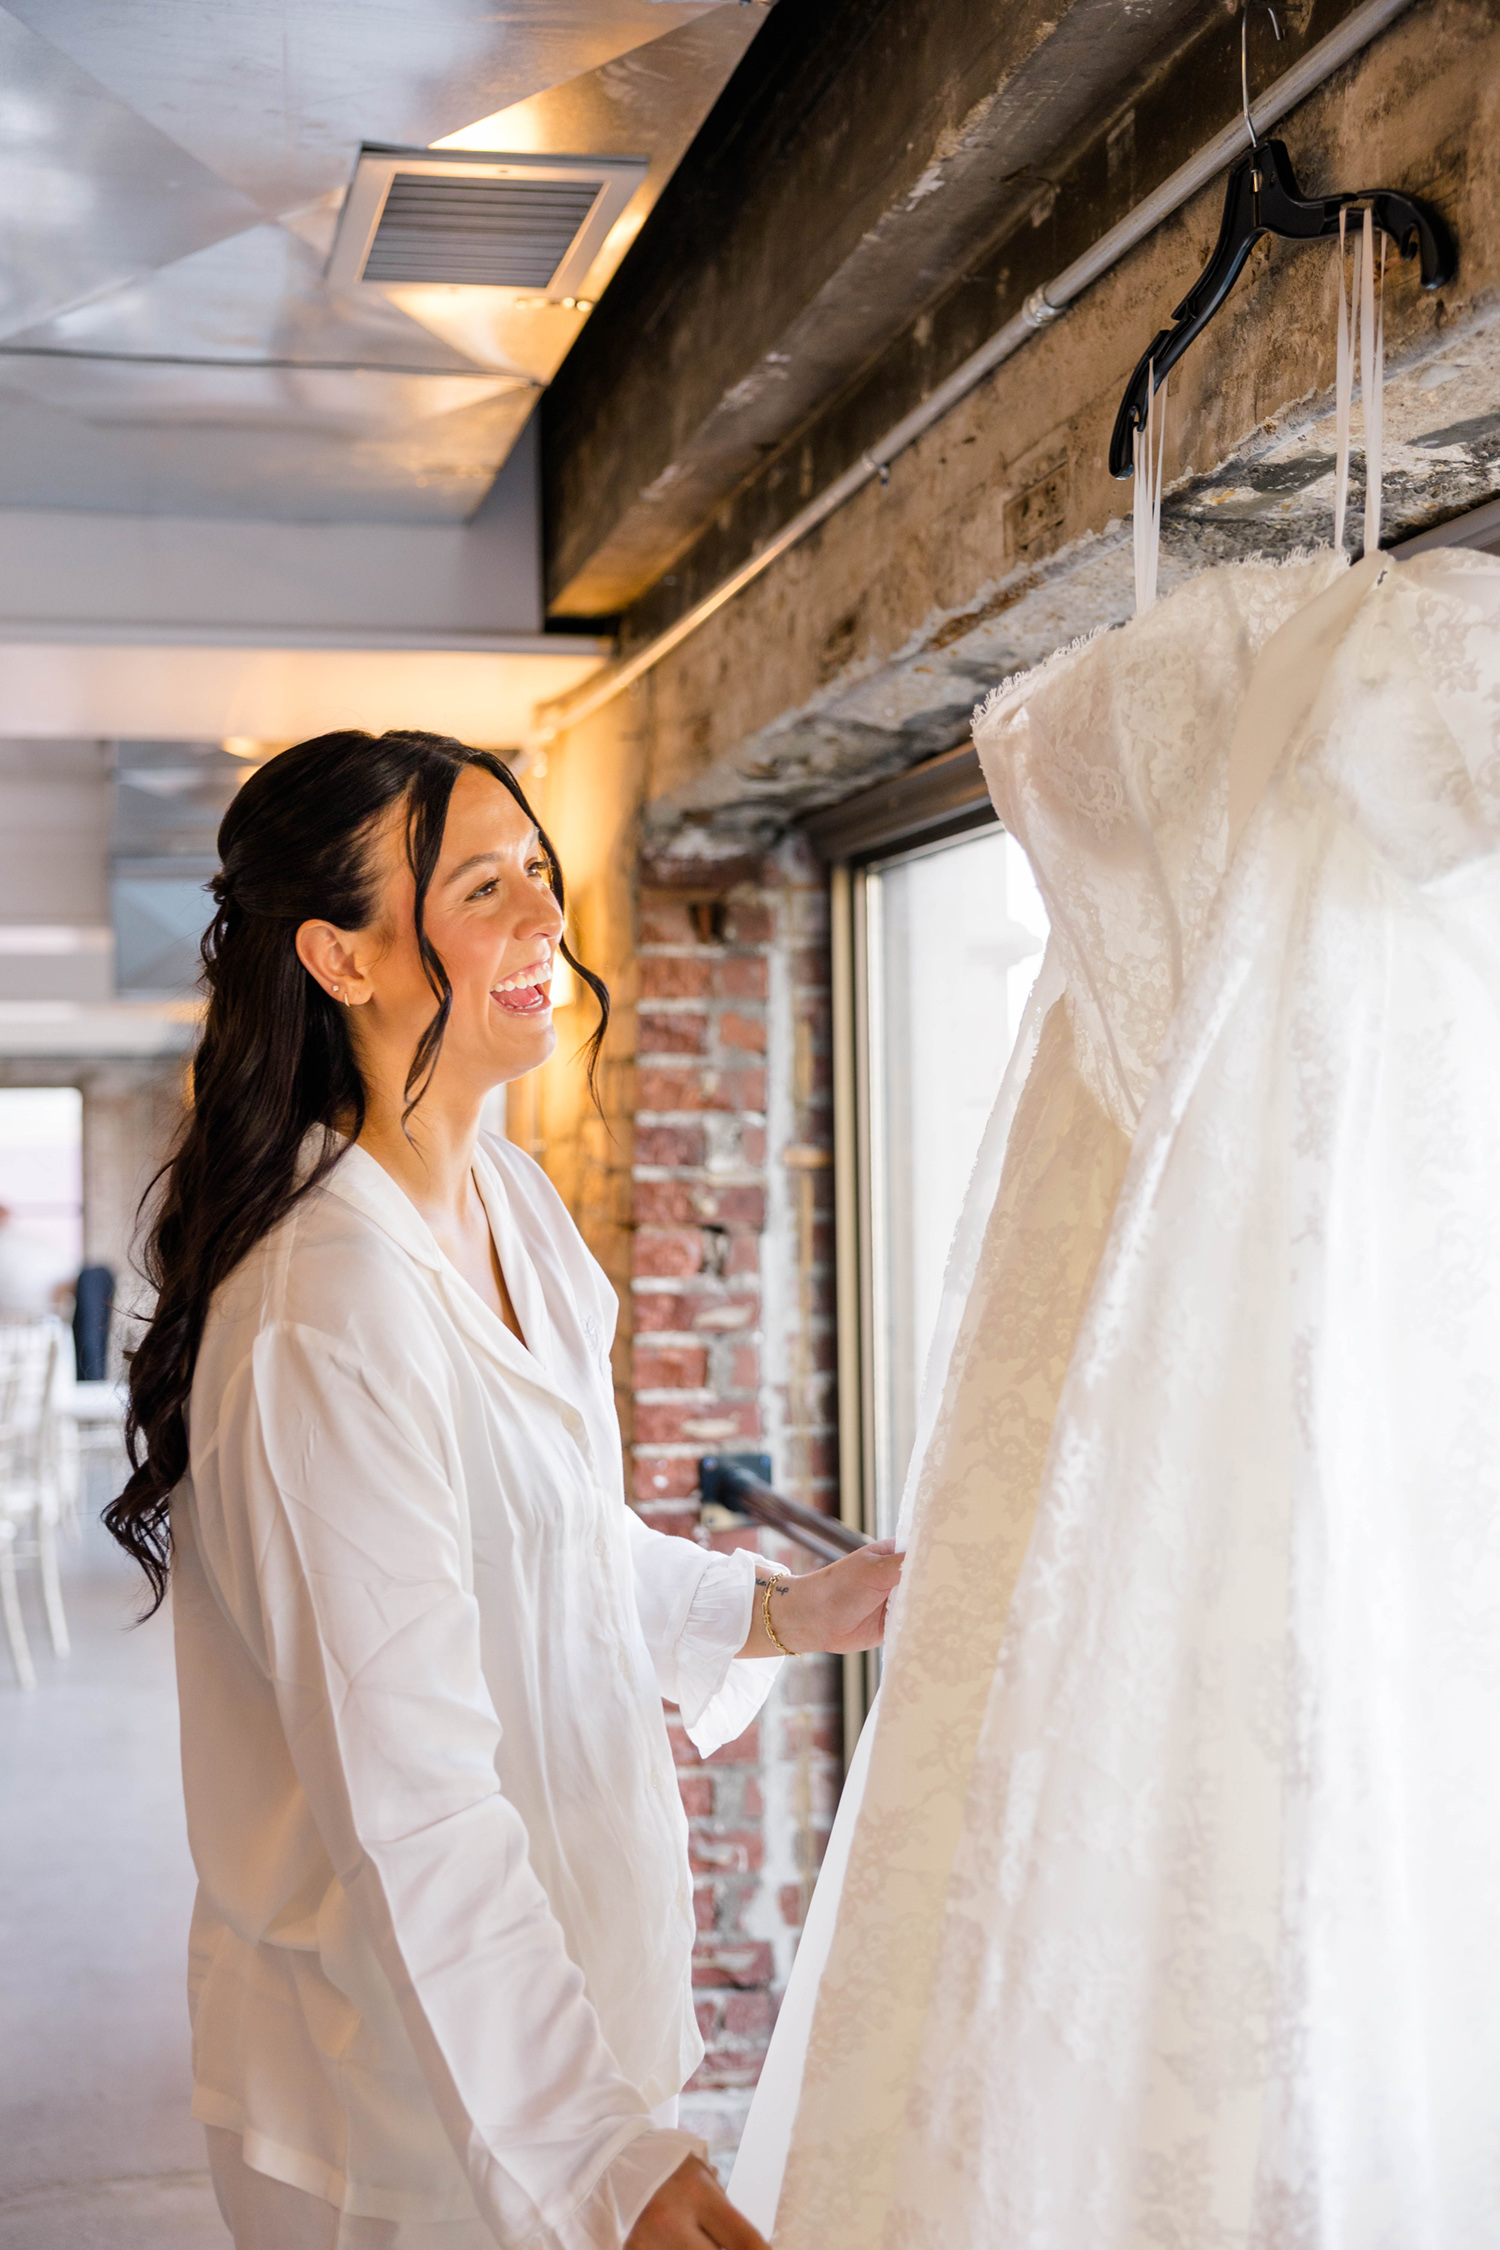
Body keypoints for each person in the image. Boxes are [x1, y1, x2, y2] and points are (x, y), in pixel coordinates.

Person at [105, 731, 900, 2250]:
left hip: (569, 2019)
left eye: (541, 870)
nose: (545, 915)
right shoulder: (322, 1313)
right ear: (340, 956)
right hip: (400, 2108)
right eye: (486, 886)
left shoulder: (513, 1207)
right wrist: (604, 2158)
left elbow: (549, 1545)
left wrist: (793, 1610)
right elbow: (411, 1798)